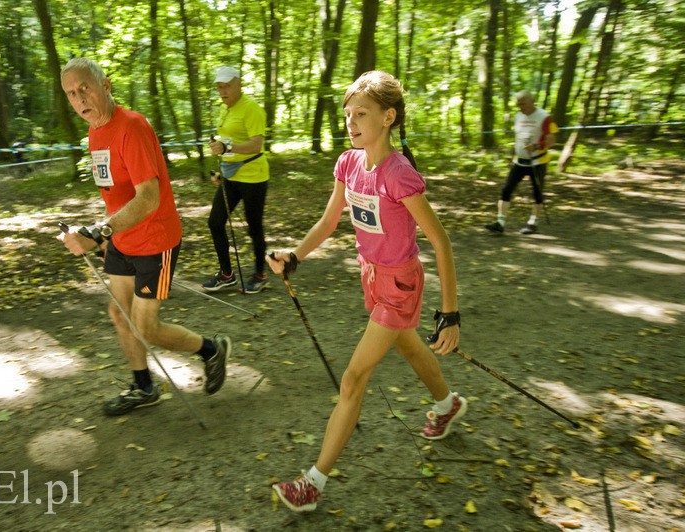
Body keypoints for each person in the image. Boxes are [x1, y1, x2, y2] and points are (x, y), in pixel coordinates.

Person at [268, 71, 466, 513]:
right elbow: (328, 221)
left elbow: (441, 241)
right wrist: (295, 256)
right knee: (410, 346)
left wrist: (450, 312)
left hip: (399, 284)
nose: (351, 123)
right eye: (347, 115)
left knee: (354, 377)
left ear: (388, 117)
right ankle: (448, 404)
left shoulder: (399, 175)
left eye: (362, 114)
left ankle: (313, 483)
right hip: (371, 276)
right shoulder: (348, 163)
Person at [57, 58, 231, 416]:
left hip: (155, 239)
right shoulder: (94, 132)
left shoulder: (132, 127)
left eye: (84, 88)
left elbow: (148, 197)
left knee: (146, 327)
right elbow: (114, 193)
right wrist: (106, 237)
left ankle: (211, 350)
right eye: (71, 94)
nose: (79, 99)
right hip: (122, 238)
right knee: (120, 313)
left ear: (105, 85)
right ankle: (143, 386)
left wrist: (98, 232)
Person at [202, 66, 270, 294]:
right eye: (219, 87)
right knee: (215, 222)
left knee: (254, 227)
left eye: (227, 86)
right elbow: (227, 144)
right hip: (232, 176)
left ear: (238, 84)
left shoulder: (251, 109)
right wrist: (223, 169)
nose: (223, 91)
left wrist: (226, 147)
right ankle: (227, 274)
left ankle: (260, 274)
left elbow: (256, 144)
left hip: (254, 177)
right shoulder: (225, 110)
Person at [485, 90, 558, 235]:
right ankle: (500, 223)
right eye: (518, 104)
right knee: (506, 189)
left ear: (532, 102)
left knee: (537, 192)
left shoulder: (544, 117)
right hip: (519, 161)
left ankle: (532, 223)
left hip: (537, 161)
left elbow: (552, 140)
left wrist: (537, 146)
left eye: (523, 103)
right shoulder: (518, 116)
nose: (520, 107)